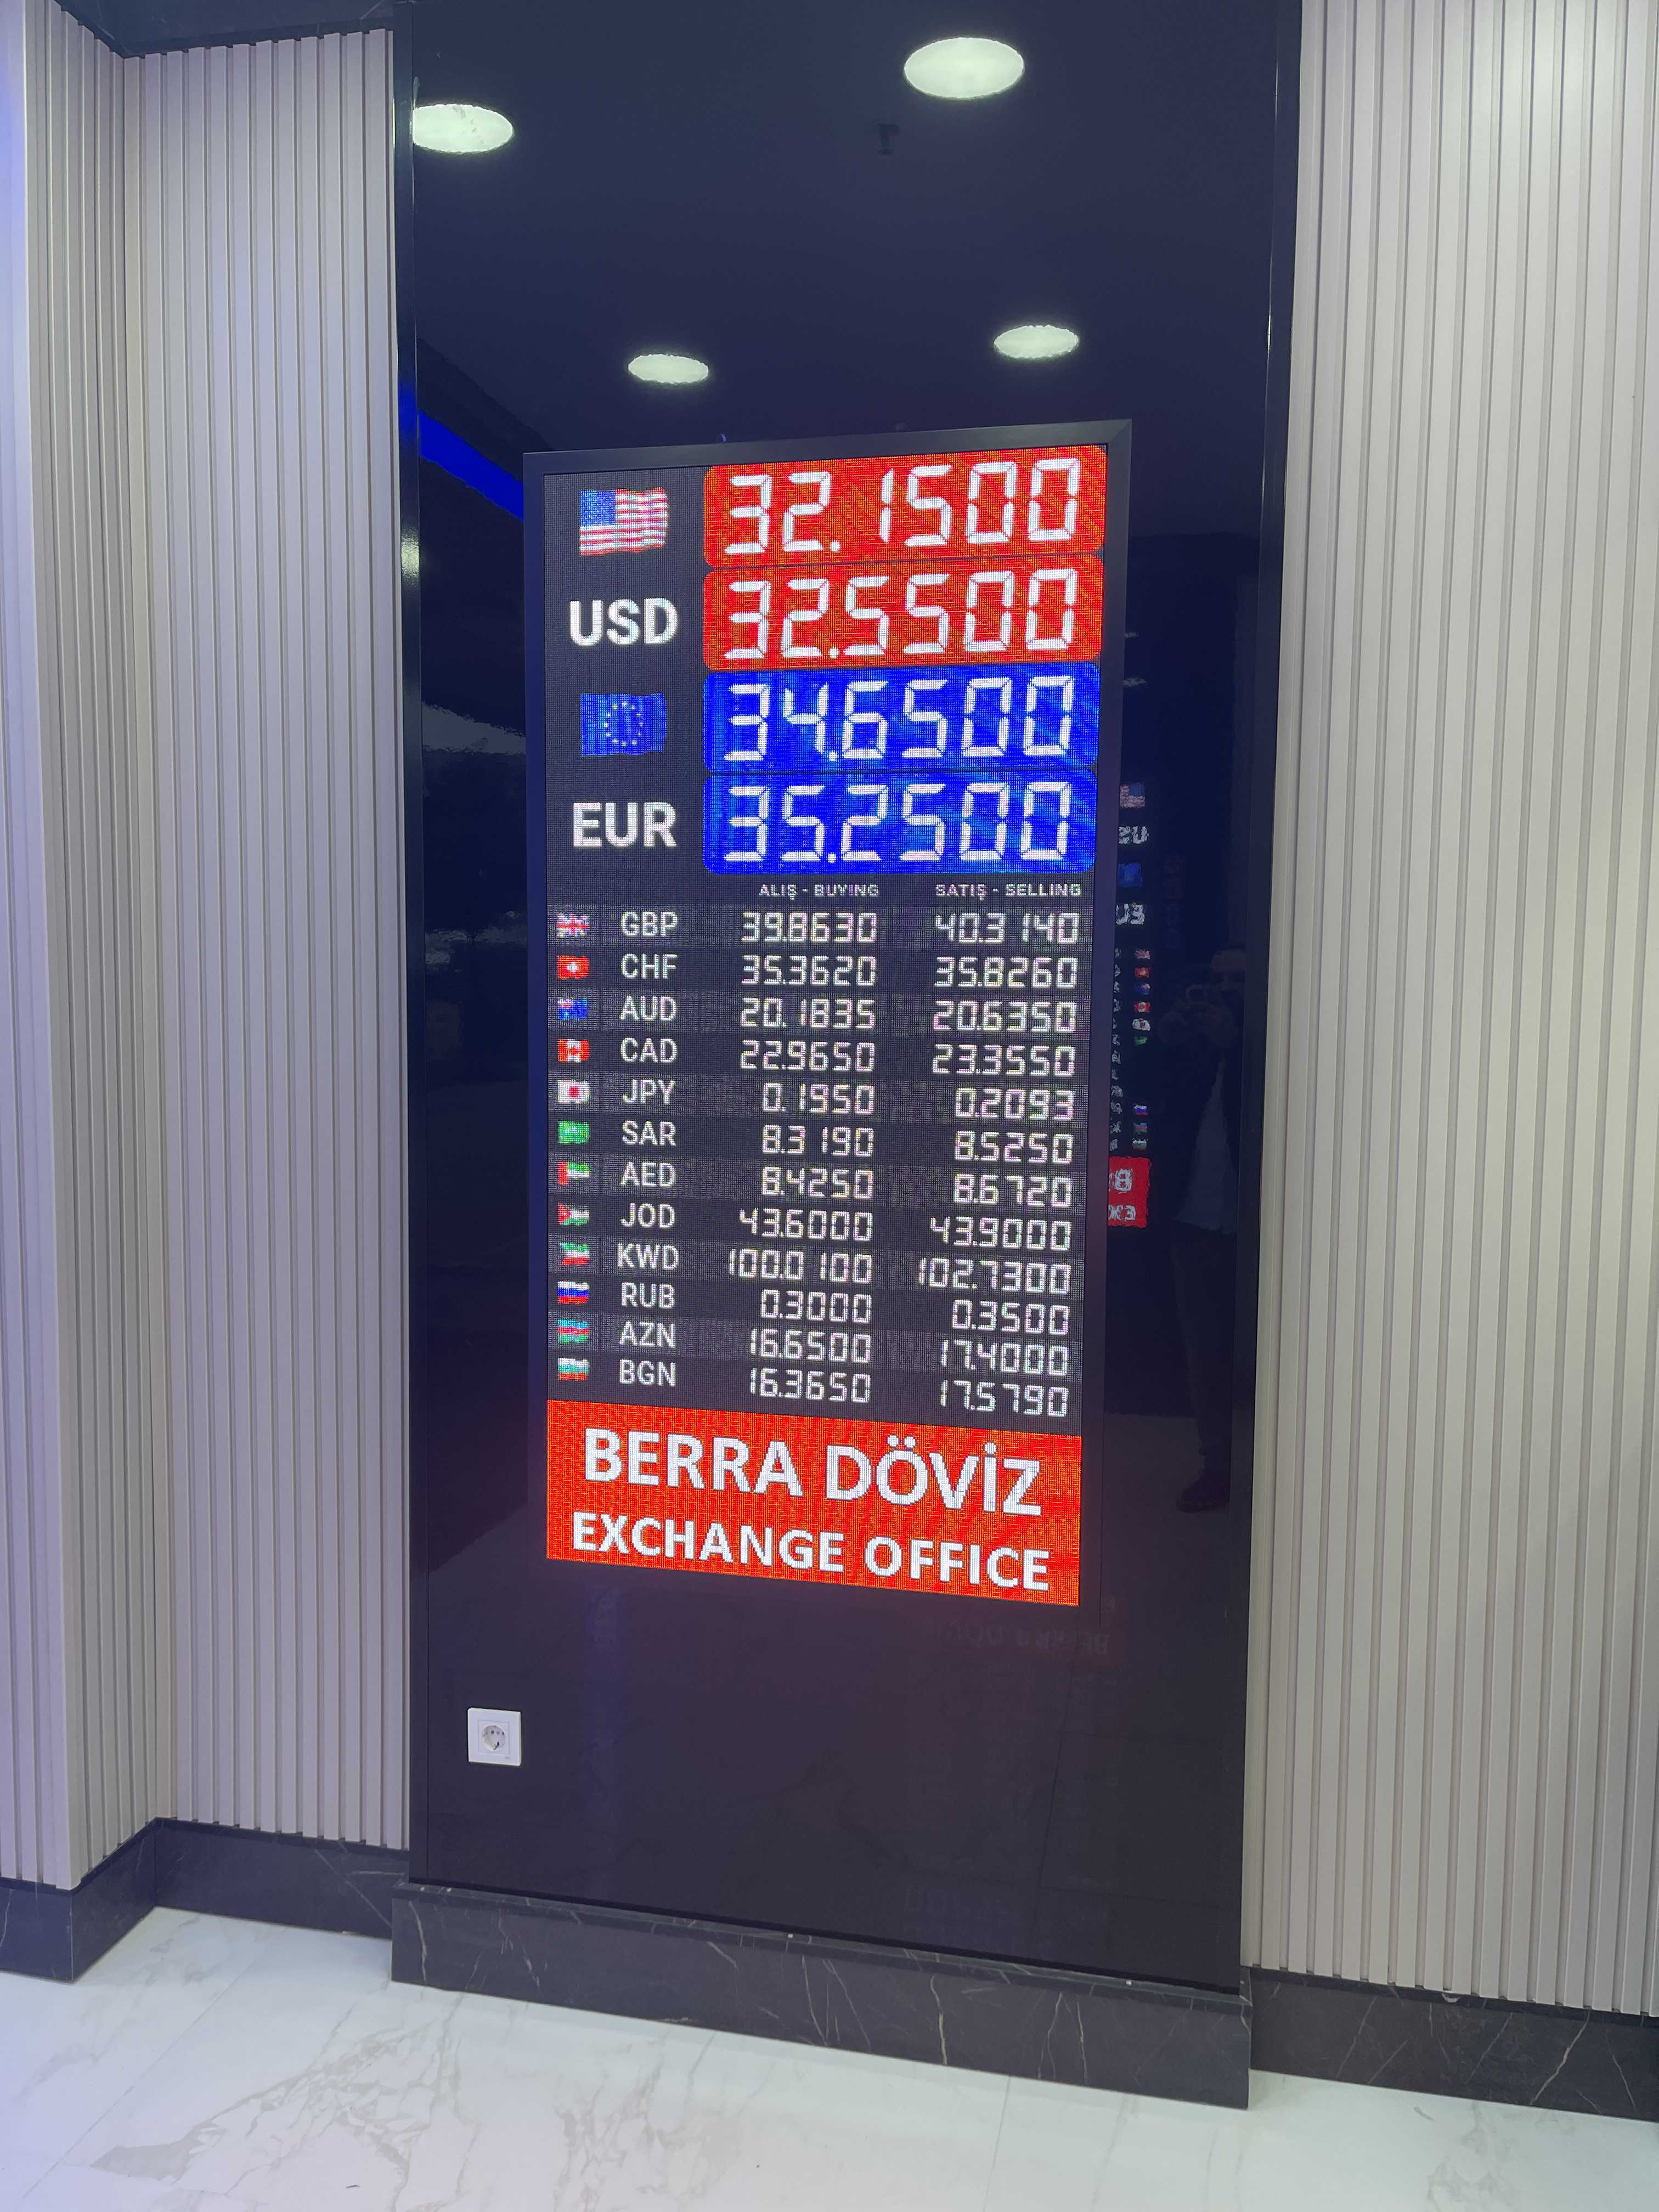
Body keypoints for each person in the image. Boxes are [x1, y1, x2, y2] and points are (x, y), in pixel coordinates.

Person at [1155, 950, 1244, 1511]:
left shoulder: (1272, 1047)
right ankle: (1217, 1465)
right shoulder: (1193, 1047)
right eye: (1215, 980)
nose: (1223, 990)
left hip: (1259, 1231)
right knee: (1204, 1354)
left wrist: (1237, 1046)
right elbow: (1141, 1090)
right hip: (1192, 1222)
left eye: (1236, 981)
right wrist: (1166, 1042)